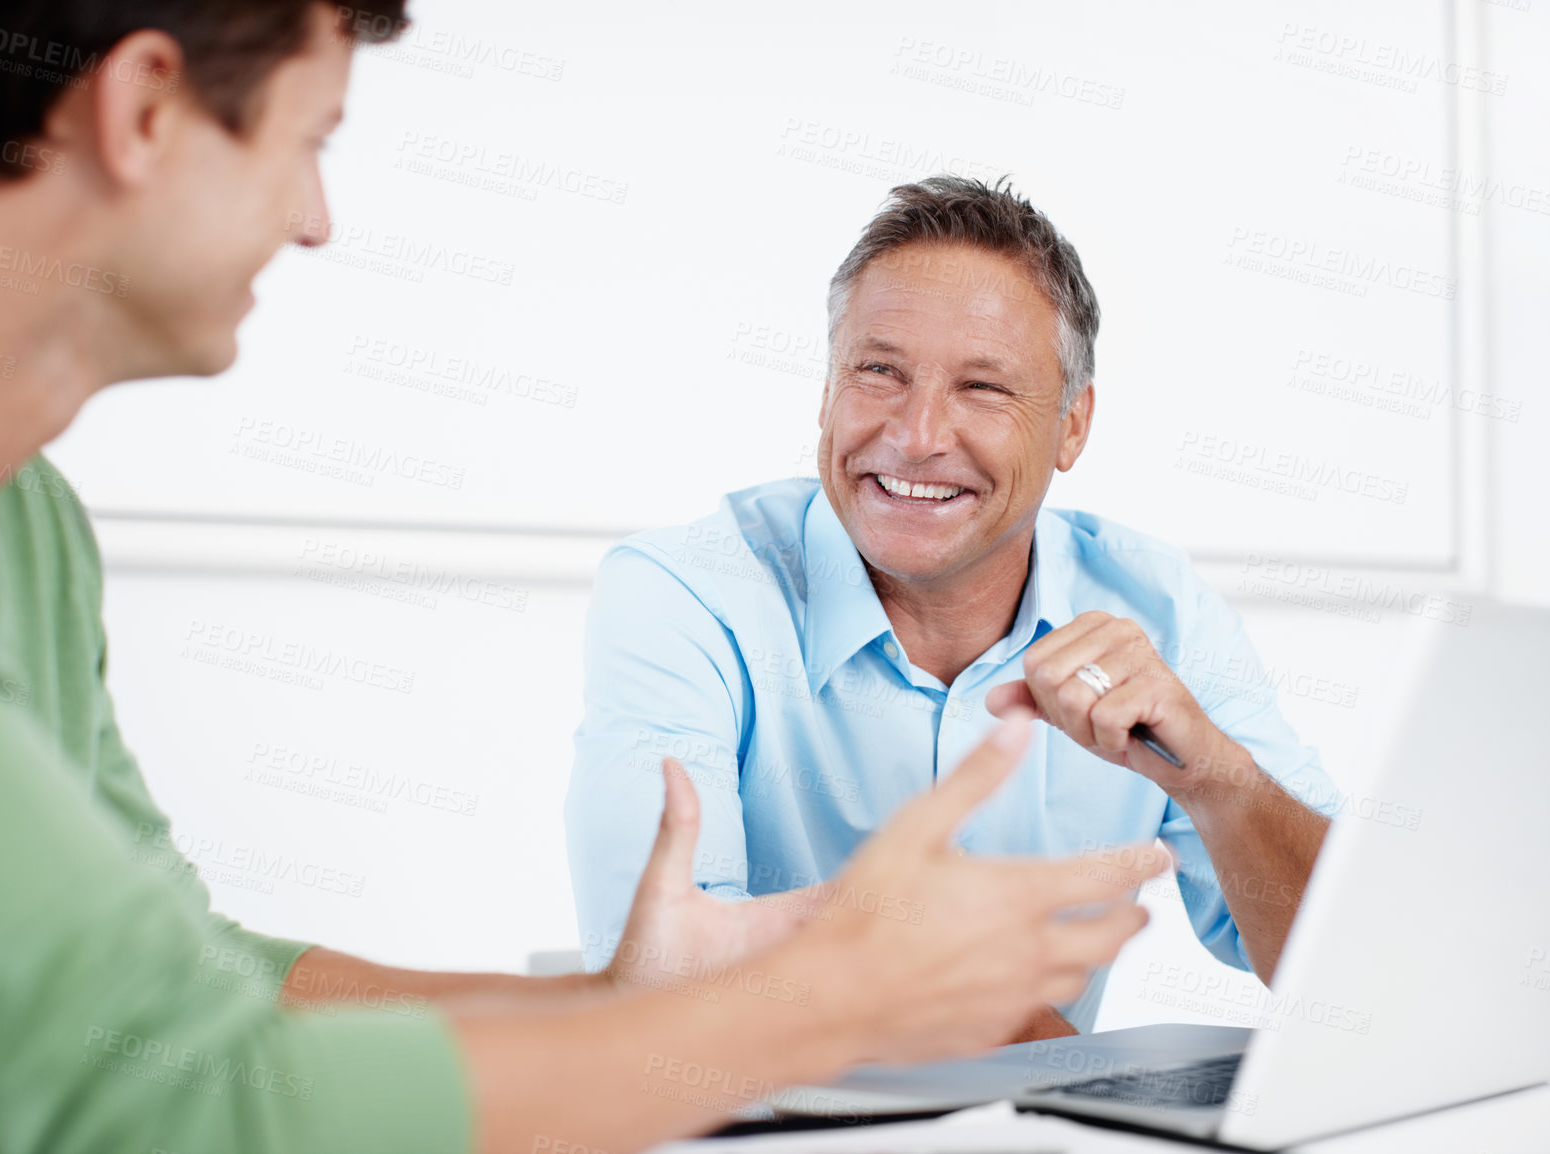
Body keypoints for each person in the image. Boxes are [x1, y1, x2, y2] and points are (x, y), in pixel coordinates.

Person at [0, 6, 1172, 1153]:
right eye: (307, 138)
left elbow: (176, 987)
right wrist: (815, 1008)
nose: (315, 216)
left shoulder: (24, 524)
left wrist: (611, 1000)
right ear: (144, 110)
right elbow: (178, 1103)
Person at [567, 177, 1342, 1039]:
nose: (916, 433)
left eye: (983, 388)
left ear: (1072, 426)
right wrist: (1028, 1038)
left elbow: (1346, 964)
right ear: (827, 393)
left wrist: (1222, 784)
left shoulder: (1161, 609)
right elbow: (662, 963)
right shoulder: (685, 592)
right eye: (878, 371)